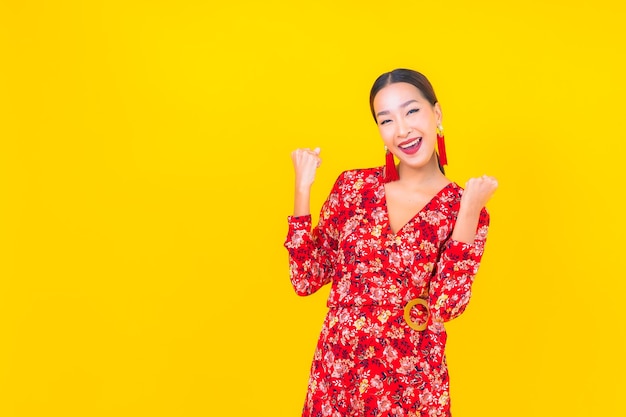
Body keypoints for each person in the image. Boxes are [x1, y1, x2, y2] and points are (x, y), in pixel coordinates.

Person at [284, 68, 498, 417]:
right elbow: (306, 278)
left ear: (437, 114)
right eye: (386, 120)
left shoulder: (463, 207)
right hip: (339, 377)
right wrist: (302, 189)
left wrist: (470, 209)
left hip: (411, 385)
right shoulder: (354, 188)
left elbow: (447, 305)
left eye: (412, 111)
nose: (402, 130)